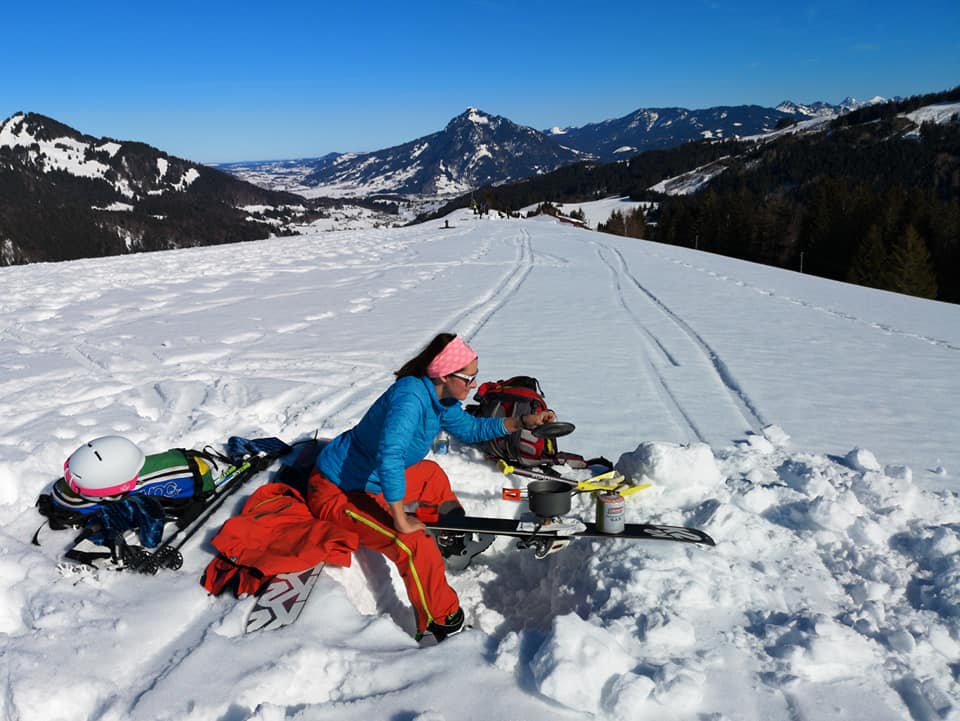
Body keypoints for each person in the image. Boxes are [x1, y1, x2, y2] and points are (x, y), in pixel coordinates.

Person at [306, 333, 555, 642]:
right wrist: (399, 517)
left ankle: (452, 541)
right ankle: (442, 623)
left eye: (476, 377)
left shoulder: (441, 398)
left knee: (432, 476)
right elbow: (391, 456)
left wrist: (520, 423)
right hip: (338, 489)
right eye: (468, 378)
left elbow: (471, 428)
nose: (474, 385)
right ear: (444, 375)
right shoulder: (409, 400)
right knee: (412, 543)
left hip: (370, 480)